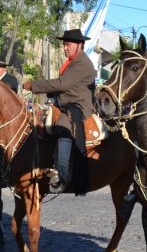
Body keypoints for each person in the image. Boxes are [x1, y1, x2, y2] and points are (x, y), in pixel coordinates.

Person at [21, 28, 95, 194]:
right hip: (65, 103)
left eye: (68, 45)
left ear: (80, 45)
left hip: (78, 105)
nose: (65, 48)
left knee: (63, 123)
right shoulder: (73, 62)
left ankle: (61, 173)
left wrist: (34, 85)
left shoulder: (81, 62)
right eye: (64, 45)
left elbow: (62, 84)